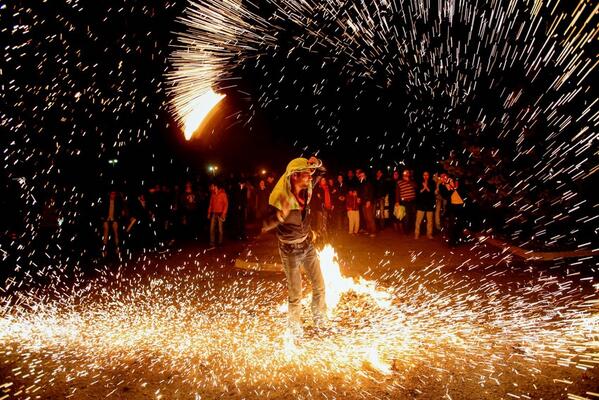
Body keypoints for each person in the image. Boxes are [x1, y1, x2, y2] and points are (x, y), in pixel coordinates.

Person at [262, 156, 328, 339]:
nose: (310, 177)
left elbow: (322, 171)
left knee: (320, 286)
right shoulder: (279, 197)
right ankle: (294, 330)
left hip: (307, 246)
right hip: (289, 251)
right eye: (306, 174)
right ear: (294, 176)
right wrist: (279, 215)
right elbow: (264, 224)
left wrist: (316, 163)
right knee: (296, 294)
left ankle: (320, 320)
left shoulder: (307, 188)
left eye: (309, 173)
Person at [414, 171, 435, 239]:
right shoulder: (419, 182)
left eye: (427, 175)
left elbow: (432, 192)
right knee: (418, 220)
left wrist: (426, 187)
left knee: (430, 221)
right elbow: (418, 192)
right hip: (421, 204)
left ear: (429, 176)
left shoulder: (432, 182)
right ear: (422, 176)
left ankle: (429, 234)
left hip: (429, 204)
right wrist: (424, 188)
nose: (425, 176)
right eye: (424, 175)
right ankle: (417, 233)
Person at [395, 169, 417, 235]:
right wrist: (397, 201)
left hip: (412, 201)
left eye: (408, 173)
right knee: (406, 216)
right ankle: (406, 230)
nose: (406, 174)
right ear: (402, 174)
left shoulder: (412, 181)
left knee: (413, 215)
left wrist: (408, 181)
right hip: (405, 201)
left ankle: (412, 228)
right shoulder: (399, 182)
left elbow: (415, 187)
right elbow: (397, 192)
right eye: (405, 173)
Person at [207, 182, 228, 247]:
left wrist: (224, 213)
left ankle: (220, 242)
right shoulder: (213, 194)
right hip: (214, 213)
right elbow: (210, 204)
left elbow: (226, 204)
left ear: (216, 186)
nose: (212, 187)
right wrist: (209, 213)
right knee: (211, 228)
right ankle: (212, 242)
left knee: (220, 229)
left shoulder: (223, 194)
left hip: (220, 213)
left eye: (213, 186)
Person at [356, 169, 376, 237]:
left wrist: (369, 201)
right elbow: (360, 192)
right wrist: (358, 198)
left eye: (363, 175)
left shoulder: (368, 182)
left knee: (370, 217)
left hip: (368, 202)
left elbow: (371, 192)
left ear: (365, 176)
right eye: (360, 176)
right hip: (363, 202)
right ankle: (368, 230)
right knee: (366, 217)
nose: (361, 177)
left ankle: (373, 231)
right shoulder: (360, 183)